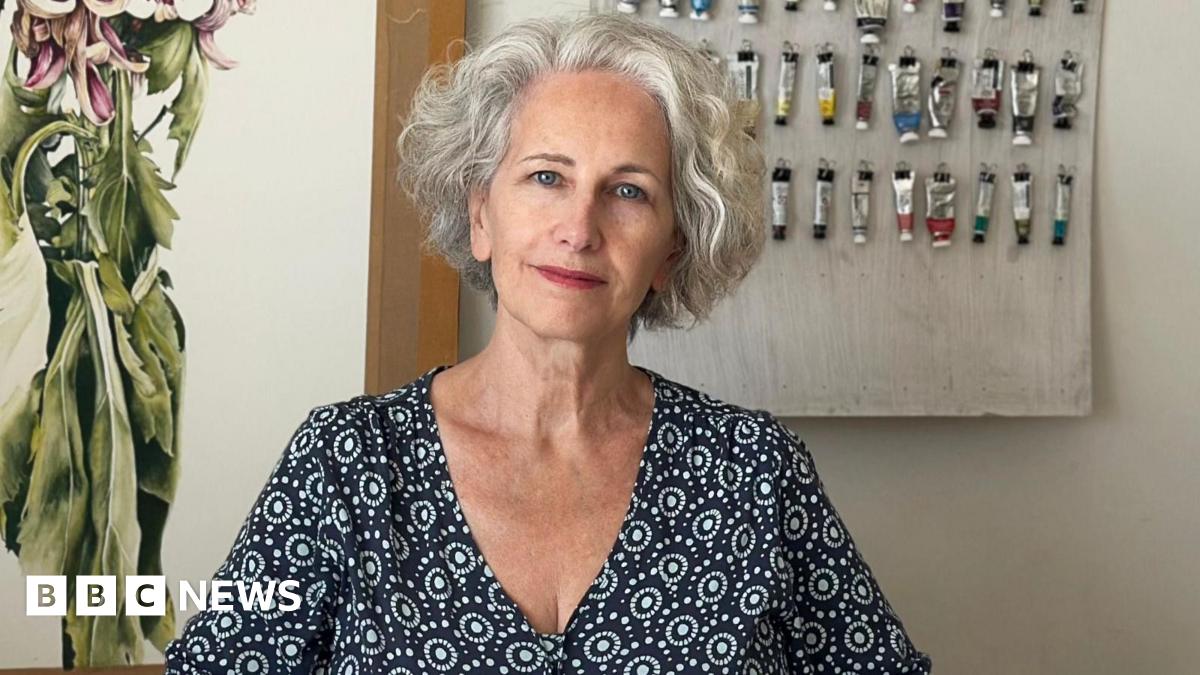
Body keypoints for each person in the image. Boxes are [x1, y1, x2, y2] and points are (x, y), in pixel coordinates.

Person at [163, 12, 933, 674]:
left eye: (628, 191)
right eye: (546, 177)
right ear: (481, 216)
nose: (579, 228)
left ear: (670, 250)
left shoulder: (755, 474)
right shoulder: (347, 461)